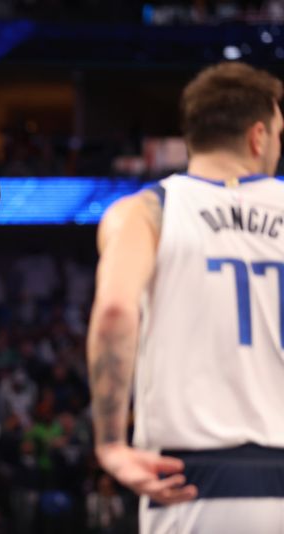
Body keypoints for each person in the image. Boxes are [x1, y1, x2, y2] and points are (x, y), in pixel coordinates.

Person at [87, 61, 284, 533]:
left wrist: (111, 444)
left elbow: (115, 310)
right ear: (259, 136)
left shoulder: (144, 212)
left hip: (187, 480)